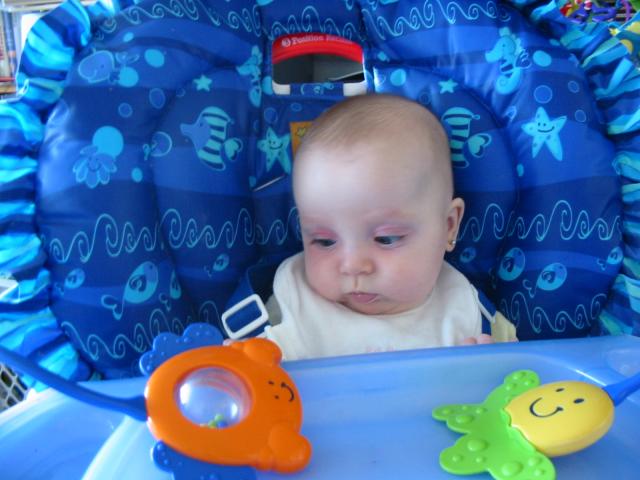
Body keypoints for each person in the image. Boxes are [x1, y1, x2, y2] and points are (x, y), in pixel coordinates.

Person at [261, 94, 516, 360]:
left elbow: (523, 375)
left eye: (386, 239)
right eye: (324, 241)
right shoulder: (291, 307)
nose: (353, 266)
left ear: (448, 226)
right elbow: (245, 374)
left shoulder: (467, 315)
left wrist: (490, 369)